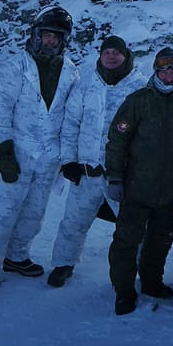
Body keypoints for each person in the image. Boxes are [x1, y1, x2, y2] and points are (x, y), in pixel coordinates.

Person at [0, 5, 81, 294]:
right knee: (4, 211)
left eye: (56, 37)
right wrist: (5, 152)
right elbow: (0, 111)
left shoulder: (71, 72)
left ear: (63, 40)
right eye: (46, 35)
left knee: (34, 212)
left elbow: (72, 117)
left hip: (49, 157)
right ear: (35, 35)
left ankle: (17, 256)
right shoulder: (15, 66)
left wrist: (67, 155)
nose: (50, 41)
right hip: (18, 152)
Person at [104, 46, 173, 315]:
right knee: (126, 240)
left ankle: (151, 281)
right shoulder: (138, 101)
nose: (168, 74)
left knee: (161, 239)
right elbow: (117, 141)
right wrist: (115, 178)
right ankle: (124, 289)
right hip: (136, 187)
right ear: (156, 70)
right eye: (163, 68)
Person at [46, 34, 147, 287]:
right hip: (87, 169)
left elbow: (148, 133)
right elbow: (71, 124)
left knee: (133, 225)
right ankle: (63, 263)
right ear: (100, 56)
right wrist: (69, 160)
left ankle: (143, 268)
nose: (111, 56)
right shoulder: (86, 84)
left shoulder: (141, 88)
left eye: (117, 52)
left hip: (122, 173)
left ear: (126, 56)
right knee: (73, 221)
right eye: (106, 52)